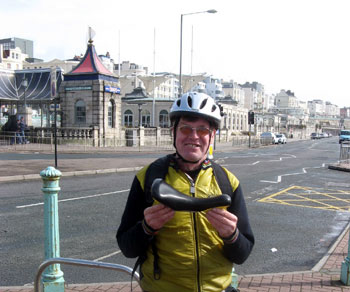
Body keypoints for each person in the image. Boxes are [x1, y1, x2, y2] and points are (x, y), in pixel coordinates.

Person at [117, 92, 254, 292]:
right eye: (185, 128)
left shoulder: (227, 182)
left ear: (213, 135)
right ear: (173, 131)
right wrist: (146, 227)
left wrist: (231, 235)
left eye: (203, 130)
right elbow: (127, 248)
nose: (194, 136)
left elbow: (242, 254)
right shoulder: (148, 177)